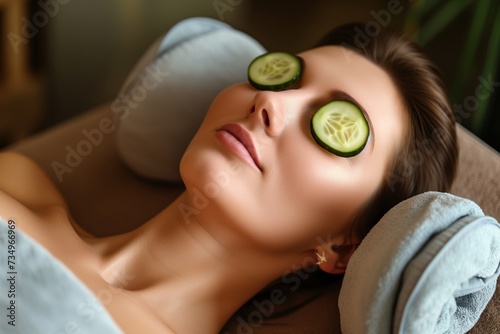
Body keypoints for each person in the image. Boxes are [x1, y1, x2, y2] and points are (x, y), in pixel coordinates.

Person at [0, 22, 457, 333]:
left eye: (334, 127)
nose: (269, 102)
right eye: (284, 78)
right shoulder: (16, 181)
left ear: (342, 246)